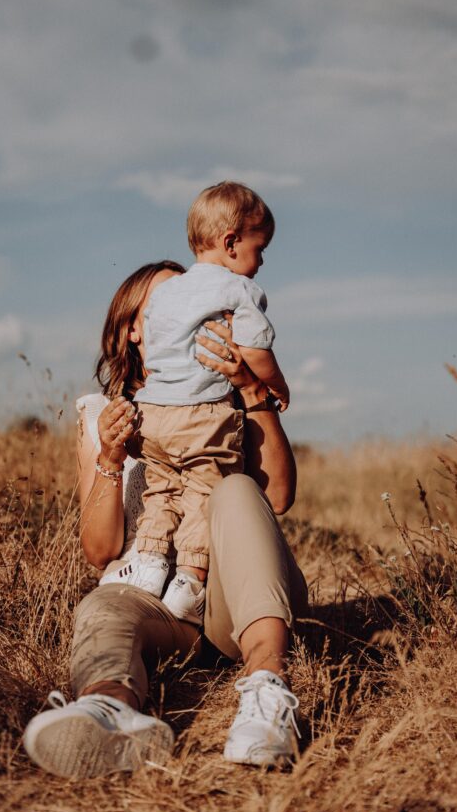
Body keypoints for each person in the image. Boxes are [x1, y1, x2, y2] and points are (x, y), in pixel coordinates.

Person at [22, 260, 308, 779]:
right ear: (134, 328)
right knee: (103, 606)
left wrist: (250, 390)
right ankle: (109, 710)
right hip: (158, 607)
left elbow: (280, 497)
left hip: (232, 604)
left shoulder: (228, 402)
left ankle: (268, 694)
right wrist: (111, 457)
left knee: (237, 489)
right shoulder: (101, 414)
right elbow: (100, 552)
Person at [102, 182, 290, 629]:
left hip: (153, 415)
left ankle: (150, 564)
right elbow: (256, 348)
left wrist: (249, 391)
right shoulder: (239, 289)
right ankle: (189, 579)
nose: (262, 261)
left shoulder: (167, 296)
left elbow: (280, 498)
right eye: (260, 248)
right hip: (201, 415)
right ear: (231, 243)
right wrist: (276, 385)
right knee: (207, 490)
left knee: (162, 489)